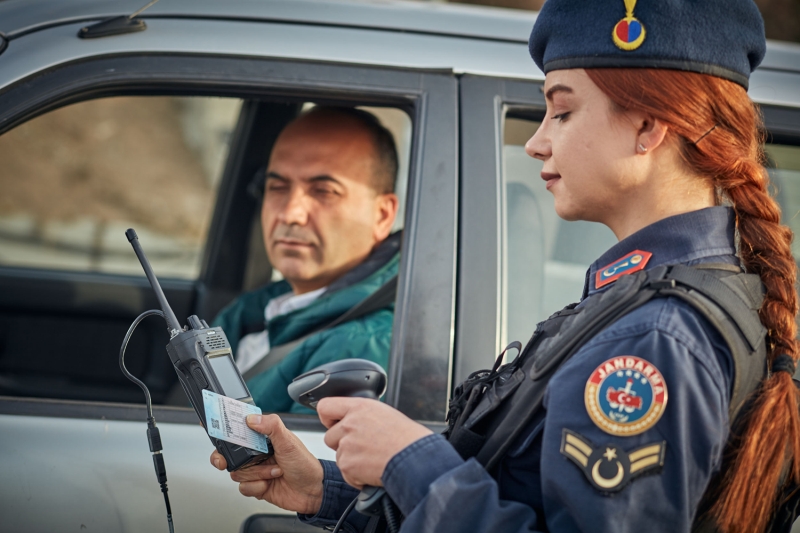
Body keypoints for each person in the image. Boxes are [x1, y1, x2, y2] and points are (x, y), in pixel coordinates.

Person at [211, 1, 800, 532]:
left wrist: (410, 459)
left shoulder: (652, 336)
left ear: (648, 126)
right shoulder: (647, 300)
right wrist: (329, 488)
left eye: (562, 112)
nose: (537, 143)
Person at [212, 106, 400, 413]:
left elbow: (300, 462)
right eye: (277, 187)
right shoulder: (263, 309)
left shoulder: (357, 350)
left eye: (324, 191)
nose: (290, 214)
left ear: (382, 216)